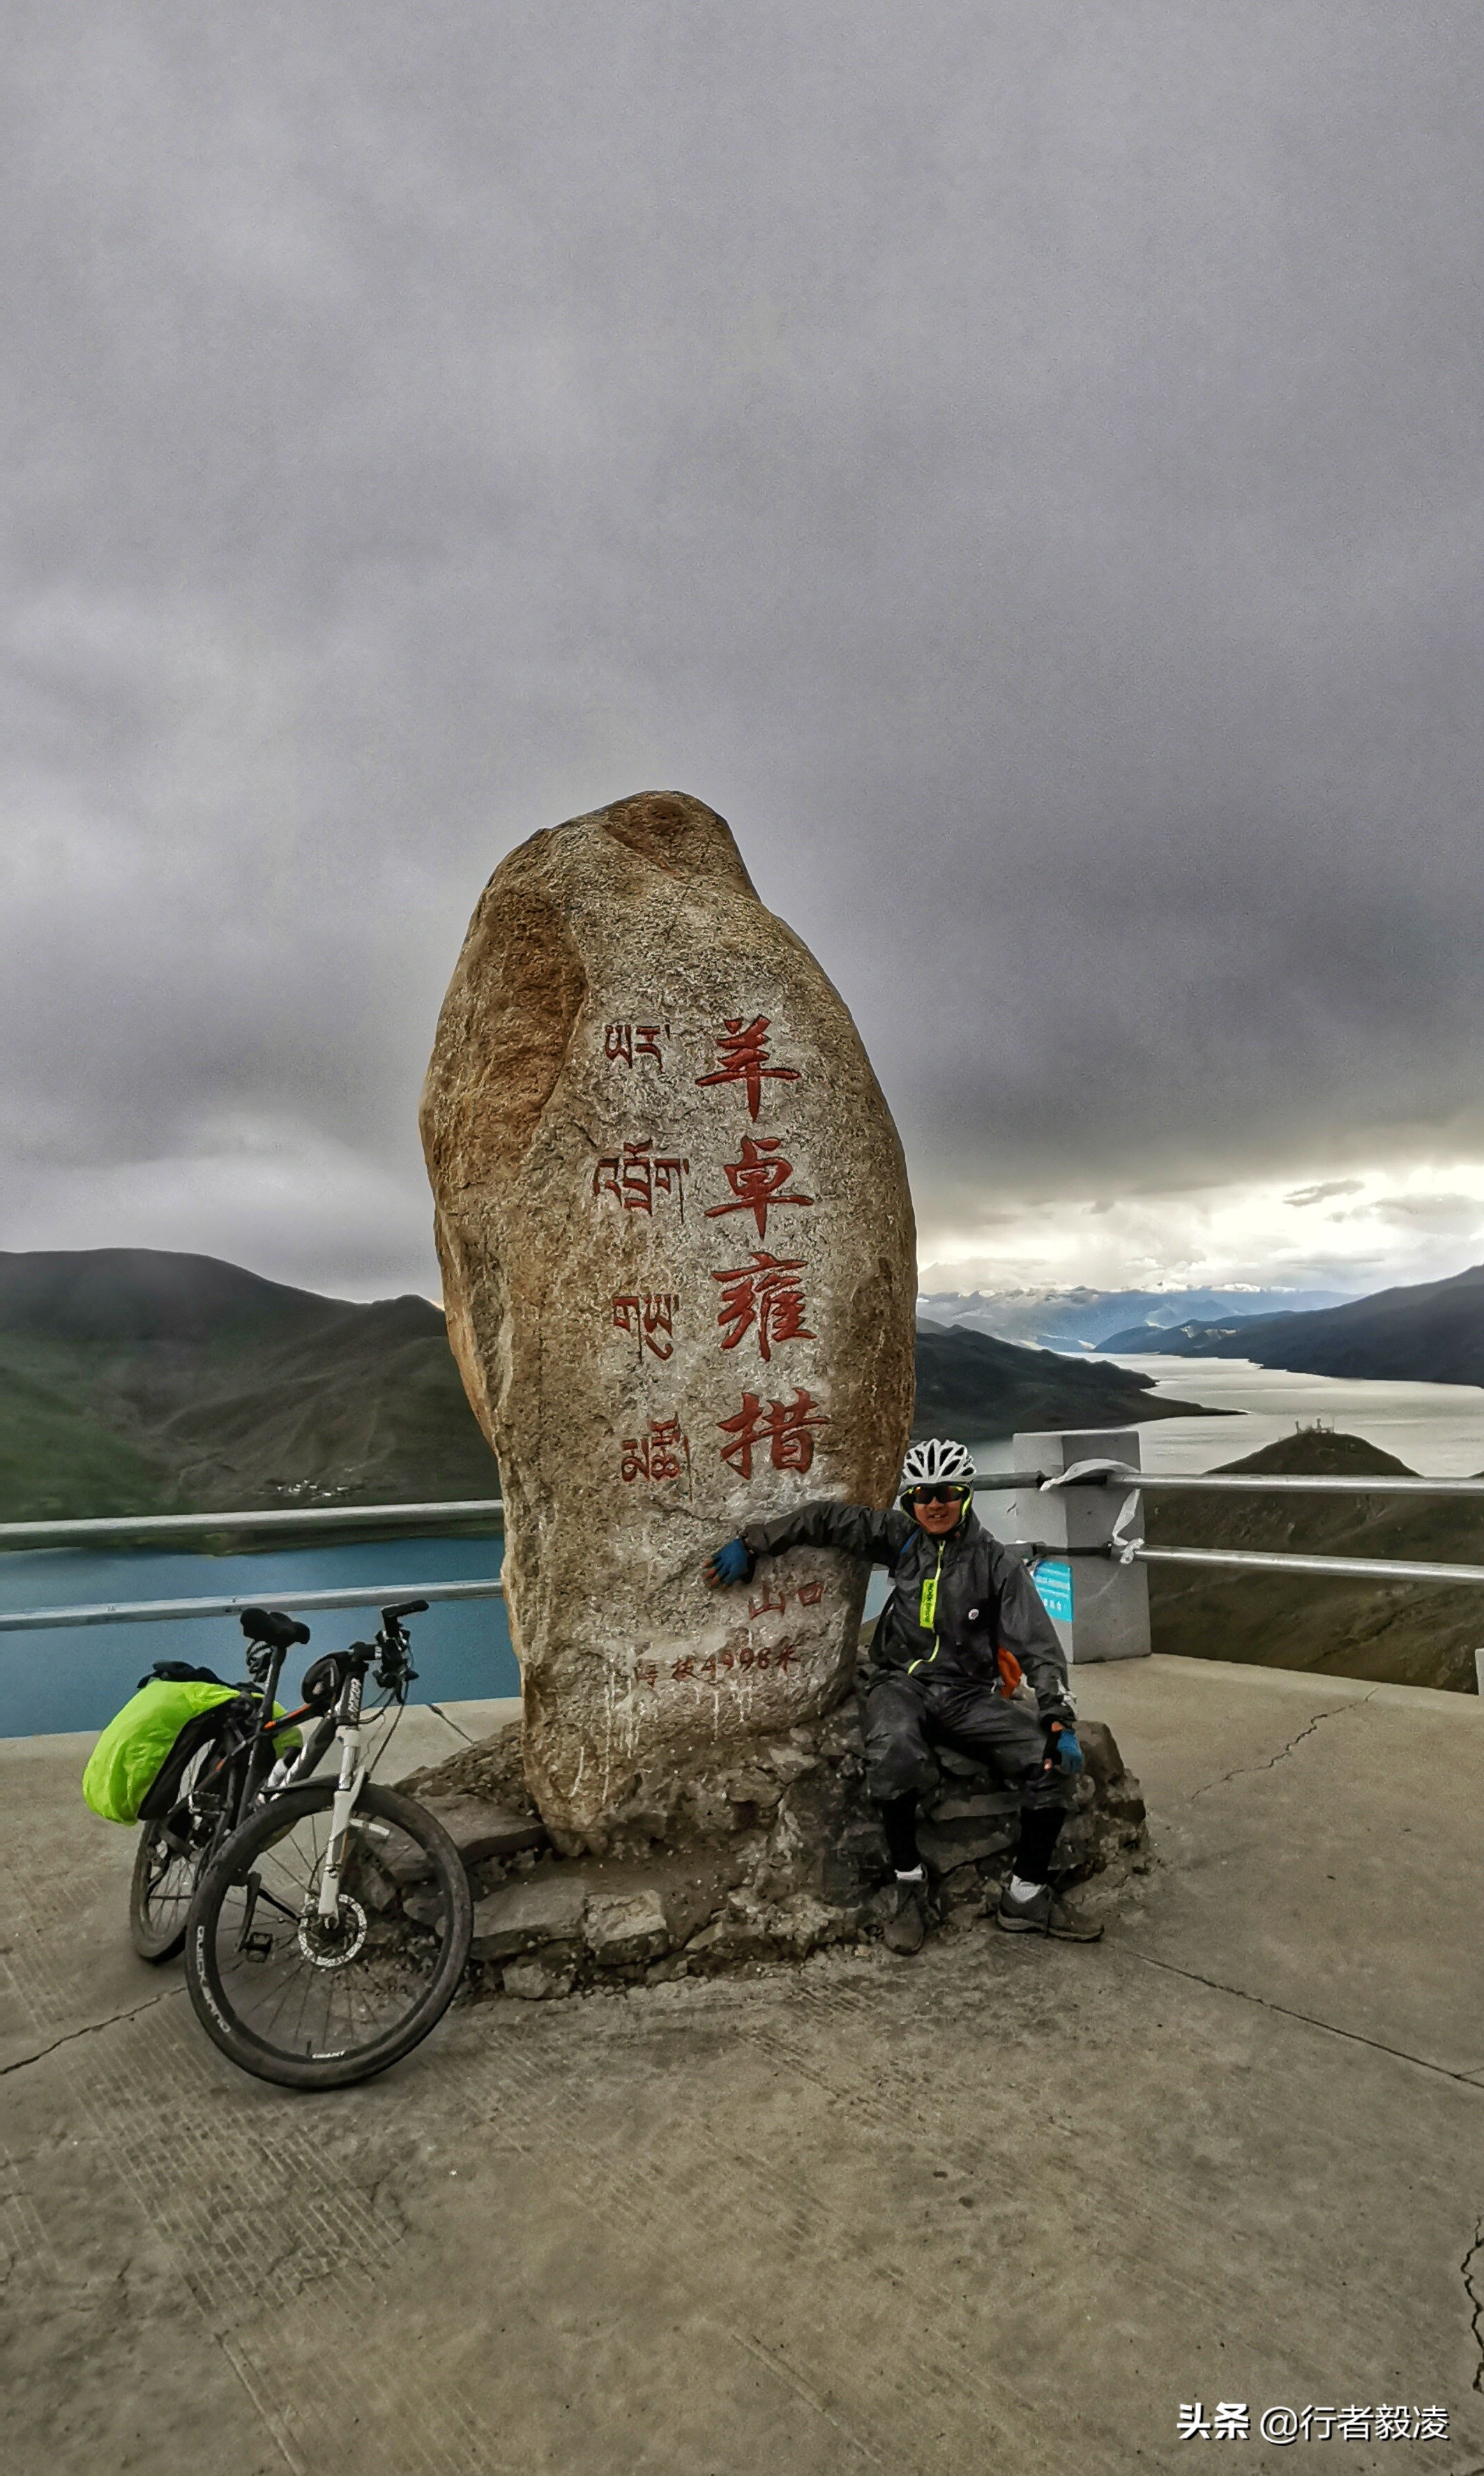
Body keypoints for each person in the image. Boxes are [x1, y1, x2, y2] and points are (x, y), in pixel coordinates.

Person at [704, 1436, 1102, 1955]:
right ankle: (908, 1883)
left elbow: (1039, 1647)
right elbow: (824, 1520)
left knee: (1047, 1763)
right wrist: (755, 1543)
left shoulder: (994, 1564)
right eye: (920, 1495)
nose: (933, 1504)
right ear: (909, 1502)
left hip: (965, 1693)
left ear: (966, 1495)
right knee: (894, 1750)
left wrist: (1056, 1720)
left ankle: (1026, 1896)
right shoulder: (901, 1538)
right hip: (900, 1682)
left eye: (946, 1492)